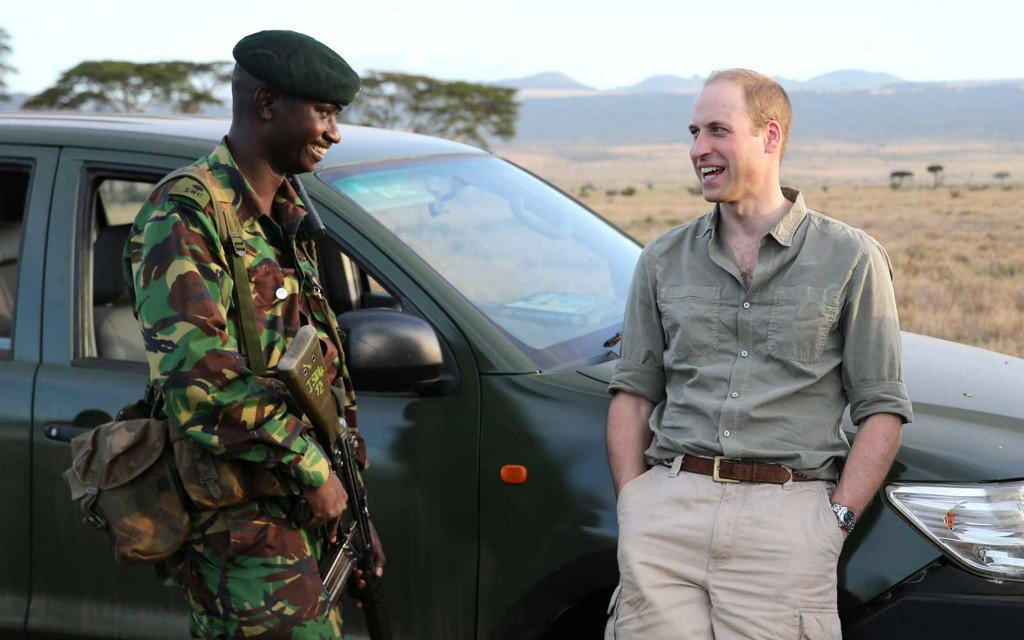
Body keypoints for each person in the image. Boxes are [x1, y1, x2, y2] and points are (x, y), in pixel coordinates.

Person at [604, 68, 913, 639]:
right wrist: (635, 503)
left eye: (718, 130)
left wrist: (834, 522)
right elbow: (633, 391)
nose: (699, 150)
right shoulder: (661, 259)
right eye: (694, 132)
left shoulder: (851, 257)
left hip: (787, 523)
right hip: (668, 517)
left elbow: (883, 409)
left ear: (770, 137)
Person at [124, 30, 384, 639]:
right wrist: (311, 468)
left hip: (305, 518)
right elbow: (198, 386)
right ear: (268, 104)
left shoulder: (289, 213)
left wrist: (353, 503)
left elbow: (313, 376)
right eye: (322, 113)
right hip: (240, 532)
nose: (334, 132)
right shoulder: (186, 213)